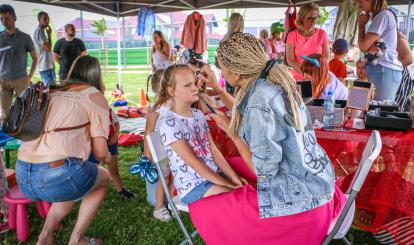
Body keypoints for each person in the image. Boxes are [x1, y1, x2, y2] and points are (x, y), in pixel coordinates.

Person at [196, 32, 344, 244]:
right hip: (317, 191)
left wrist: (234, 134)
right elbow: (245, 112)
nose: (220, 72)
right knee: (230, 168)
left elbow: (263, 171)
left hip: (301, 213)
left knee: (206, 208)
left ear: (236, 73)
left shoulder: (259, 100)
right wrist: (218, 89)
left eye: (221, 67)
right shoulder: (270, 84)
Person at [15, 58, 110, 244]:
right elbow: (100, 153)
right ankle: (76, 239)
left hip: (23, 175)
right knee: (102, 178)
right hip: (56, 174)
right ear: (96, 75)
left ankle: (45, 236)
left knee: (71, 180)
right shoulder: (93, 95)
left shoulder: (52, 91)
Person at [157, 64, 245, 205]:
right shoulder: (169, 123)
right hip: (193, 186)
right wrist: (228, 184)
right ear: (172, 91)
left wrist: (235, 179)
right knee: (238, 198)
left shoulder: (198, 115)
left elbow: (214, 151)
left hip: (211, 176)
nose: (195, 88)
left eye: (194, 83)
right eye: (187, 85)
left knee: (245, 189)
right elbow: (193, 162)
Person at [67, 55, 135, 199]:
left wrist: (116, 135)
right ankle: (90, 192)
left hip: (109, 140)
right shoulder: (78, 101)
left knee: (113, 168)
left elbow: (114, 120)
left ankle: (120, 188)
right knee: (92, 170)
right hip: (93, 144)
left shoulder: (99, 98)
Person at [143, 69, 174, 221]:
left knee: (174, 177)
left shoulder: (175, 103)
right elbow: (148, 132)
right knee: (165, 178)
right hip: (161, 152)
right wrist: (147, 155)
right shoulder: (155, 109)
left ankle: (173, 204)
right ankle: (159, 208)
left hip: (174, 149)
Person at [358, 0, 403, 100]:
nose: (359, 6)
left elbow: (363, 46)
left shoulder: (383, 16)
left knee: (380, 110)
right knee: (377, 109)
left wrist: (361, 26)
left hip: (384, 70)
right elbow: (367, 47)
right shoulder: (383, 15)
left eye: (360, 2)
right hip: (383, 70)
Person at [0, 4, 37, 120]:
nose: (4, 21)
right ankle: (7, 133)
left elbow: (35, 58)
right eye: (1, 19)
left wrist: (29, 76)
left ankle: (25, 134)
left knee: (25, 111)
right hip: (3, 81)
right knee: (4, 113)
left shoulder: (25, 38)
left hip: (21, 79)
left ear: (14, 18)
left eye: (7, 18)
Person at [286, 3, 330, 80]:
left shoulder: (322, 33)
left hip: (317, 77)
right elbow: (290, 60)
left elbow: (326, 57)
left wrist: (317, 73)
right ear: (302, 18)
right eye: (310, 18)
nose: (314, 21)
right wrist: (306, 74)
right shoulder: (292, 34)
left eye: (316, 17)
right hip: (298, 78)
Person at [33, 11, 55, 86]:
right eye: (44, 19)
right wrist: (49, 34)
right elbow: (48, 48)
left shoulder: (41, 31)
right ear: (39, 20)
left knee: (53, 90)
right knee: (50, 91)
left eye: (48, 19)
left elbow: (48, 48)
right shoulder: (39, 31)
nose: (47, 21)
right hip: (45, 66)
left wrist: (48, 34)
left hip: (48, 65)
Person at [395, 31, 414, 111]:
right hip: (406, 73)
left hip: (406, 73)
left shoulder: (398, 36)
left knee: (397, 106)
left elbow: (409, 60)